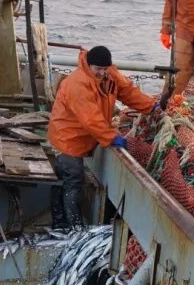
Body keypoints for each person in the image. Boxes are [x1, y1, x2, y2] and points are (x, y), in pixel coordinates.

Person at [47, 46, 157, 229]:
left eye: (105, 69)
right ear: (88, 65)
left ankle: (63, 223)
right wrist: (111, 137)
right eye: (98, 69)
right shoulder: (77, 84)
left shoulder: (109, 75)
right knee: (72, 179)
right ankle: (69, 227)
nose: (102, 73)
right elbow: (90, 119)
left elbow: (128, 92)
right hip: (67, 137)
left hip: (84, 137)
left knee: (67, 180)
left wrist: (150, 106)